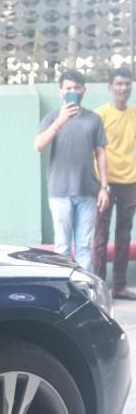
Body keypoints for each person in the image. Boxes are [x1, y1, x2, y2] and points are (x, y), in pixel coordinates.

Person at [34, 69, 110, 272]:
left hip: (88, 191)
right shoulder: (52, 118)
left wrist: (104, 187)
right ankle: (64, 287)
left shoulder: (94, 119)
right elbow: (38, 145)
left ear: (84, 90)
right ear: (60, 91)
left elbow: (101, 153)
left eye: (77, 88)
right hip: (59, 192)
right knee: (62, 247)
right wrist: (60, 121)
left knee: (84, 247)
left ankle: (83, 289)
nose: (73, 91)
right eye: (68, 88)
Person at [92, 68, 136, 300]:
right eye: (119, 83)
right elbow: (95, 149)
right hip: (104, 183)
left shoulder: (134, 113)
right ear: (110, 87)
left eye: (127, 83)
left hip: (130, 182)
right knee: (101, 235)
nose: (123, 88)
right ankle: (100, 286)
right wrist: (101, 184)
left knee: (124, 234)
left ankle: (119, 286)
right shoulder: (100, 115)